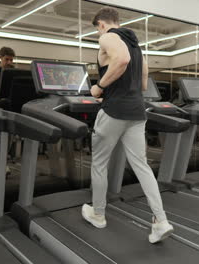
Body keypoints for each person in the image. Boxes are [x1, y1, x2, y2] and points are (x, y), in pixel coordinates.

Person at [81, 7, 174, 244]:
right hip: (136, 110)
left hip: (114, 110)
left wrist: (99, 87)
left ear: (101, 24)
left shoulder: (107, 36)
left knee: (100, 163)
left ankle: (98, 214)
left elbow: (121, 60)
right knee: (141, 166)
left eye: (97, 29)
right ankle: (161, 221)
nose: (98, 34)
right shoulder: (136, 45)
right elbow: (143, 83)